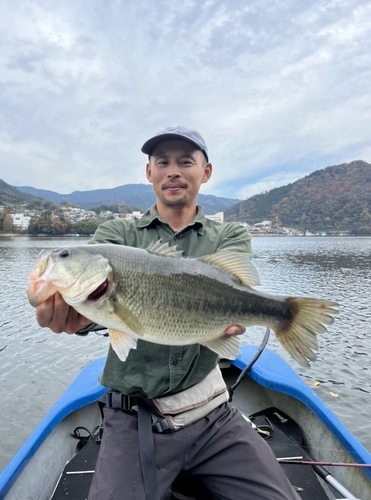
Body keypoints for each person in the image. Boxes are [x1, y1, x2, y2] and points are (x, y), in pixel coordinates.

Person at [36, 126, 300, 500]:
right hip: (133, 419)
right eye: (162, 162)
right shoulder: (116, 236)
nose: (173, 171)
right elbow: (98, 315)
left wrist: (254, 316)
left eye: (185, 161)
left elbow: (235, 289)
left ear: (205, 171)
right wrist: (75, 315)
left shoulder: (229, 237)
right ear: (149, 173)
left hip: (213, 415)